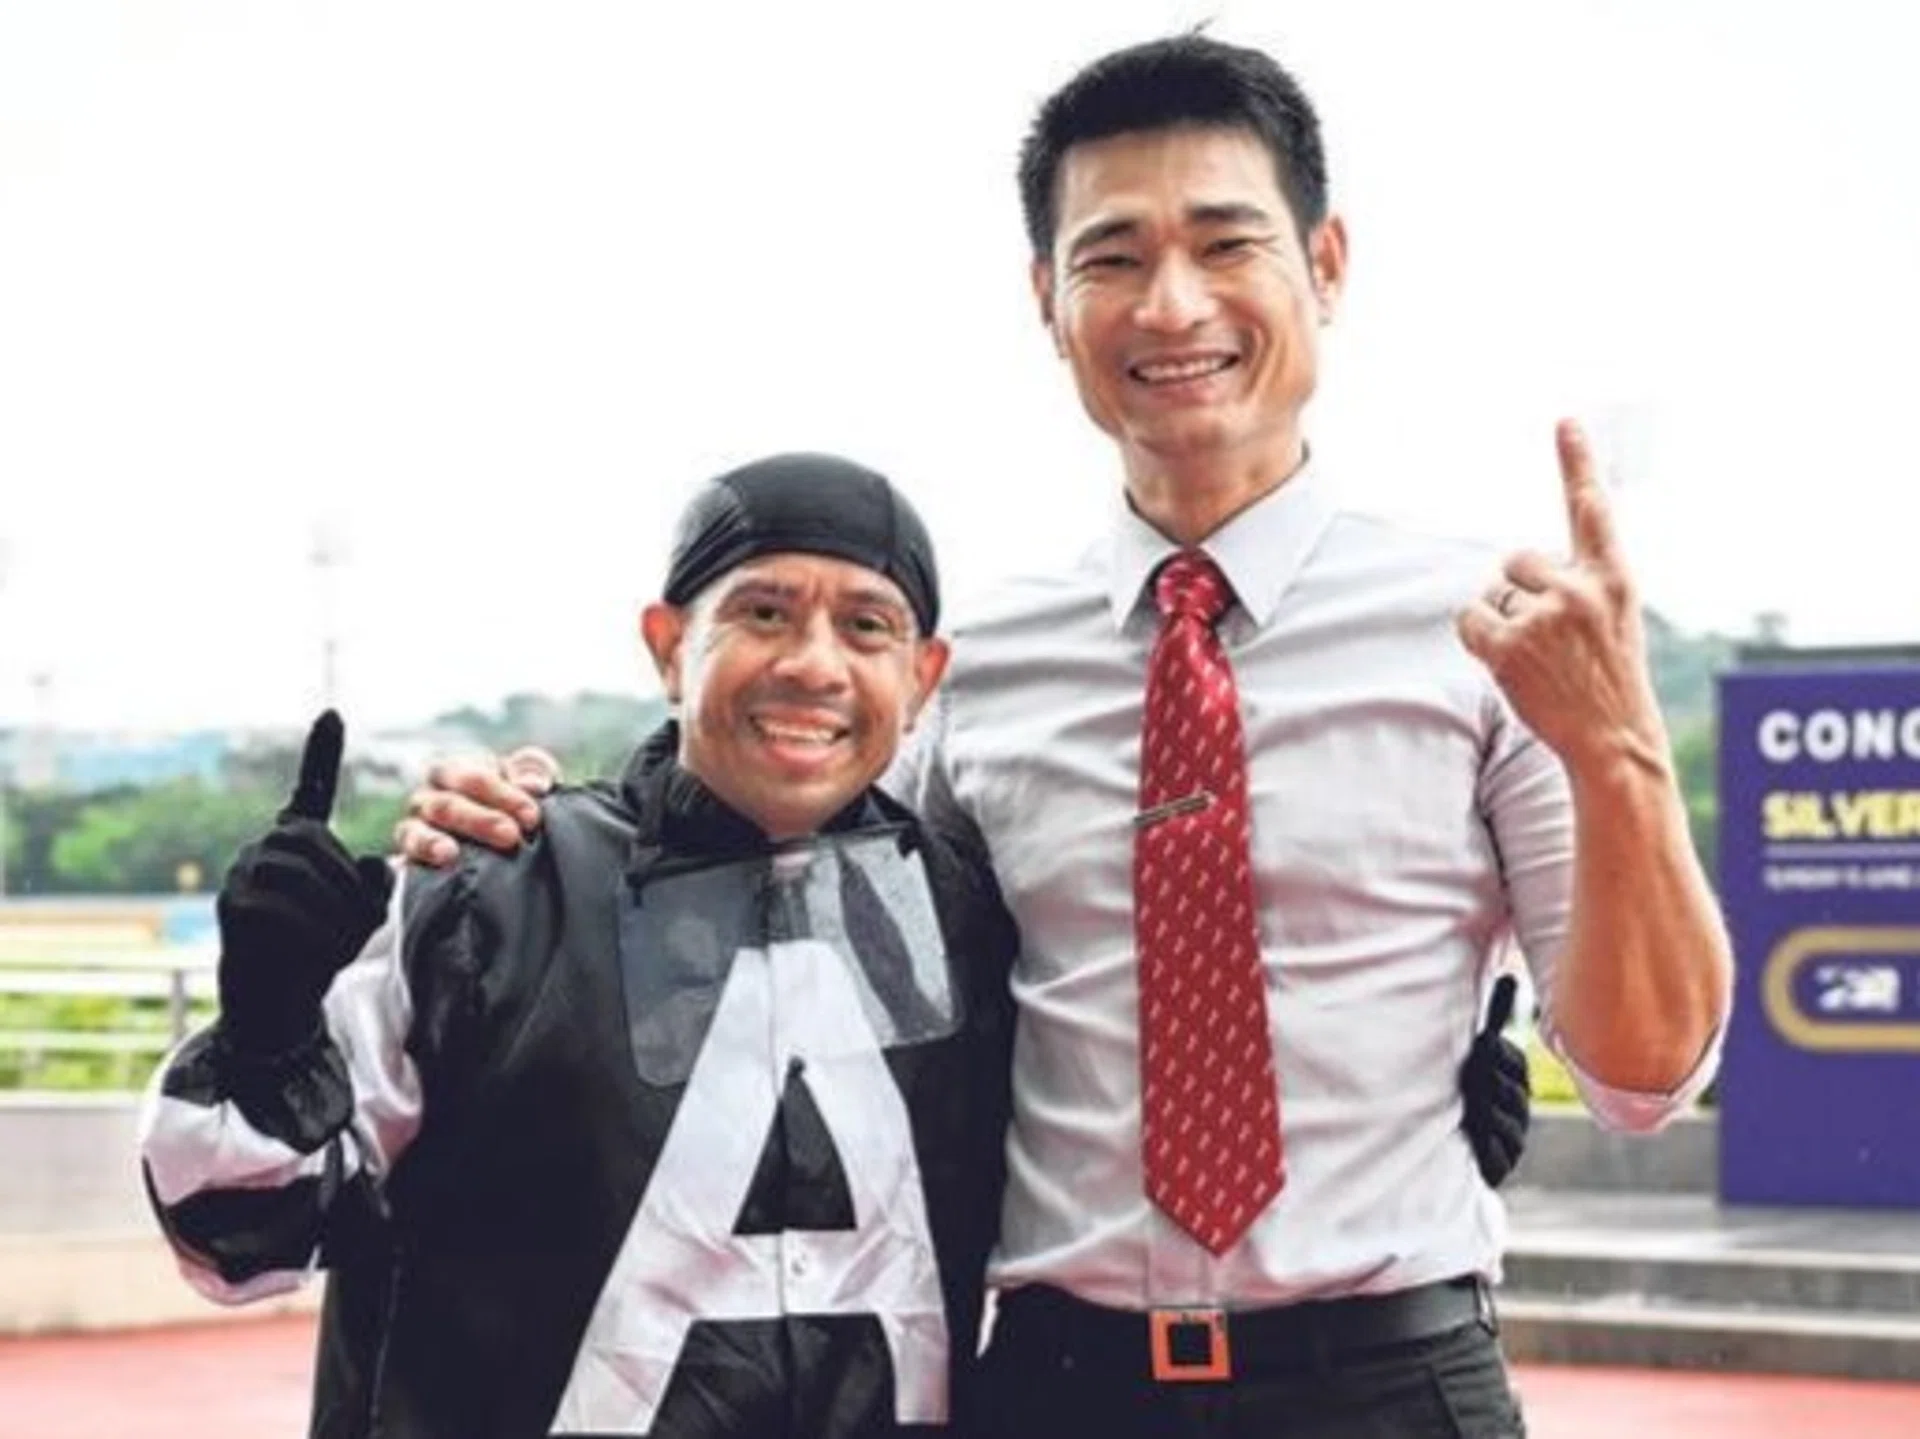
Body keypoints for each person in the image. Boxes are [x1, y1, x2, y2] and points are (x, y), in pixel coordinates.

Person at [399, 34, 1733, 1438]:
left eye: (1226, 243)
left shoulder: (1486, 639)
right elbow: (758, 879)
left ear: (1327, 265)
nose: (1172, 303)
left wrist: (1618, 745)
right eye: (1111, 257)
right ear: (1048, 299)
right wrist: (522, 830)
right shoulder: (970, 670)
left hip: (1387, 1380)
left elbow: (1645, 1078)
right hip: (1053, 1382)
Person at [137, 454, 1021, 1439]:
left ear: (922, 675)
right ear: (669, 644)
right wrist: (266, 1033)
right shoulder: (490, 888)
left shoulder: (973, 917)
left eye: (867, 624)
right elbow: (236, 1244)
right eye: (763, 613)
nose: (814, 664)